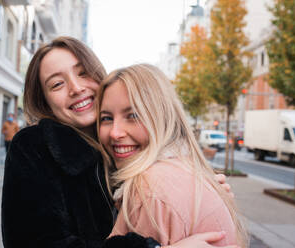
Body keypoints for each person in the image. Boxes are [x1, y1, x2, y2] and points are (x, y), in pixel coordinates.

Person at [1, 36, 237, 248]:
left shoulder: (119, 143)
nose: (76, 88)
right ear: (45, 102)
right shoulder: (35, 146)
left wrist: (194, 193)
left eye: (83, 72)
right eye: (57, 84)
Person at [97, 64, 248, 247]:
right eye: (106, 118)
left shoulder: (148, 188)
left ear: (163, 117)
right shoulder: (183, 170)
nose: (115, 132)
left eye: (133, 115)